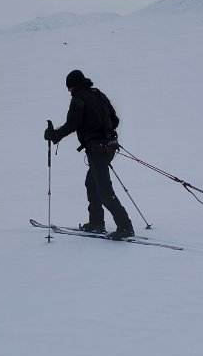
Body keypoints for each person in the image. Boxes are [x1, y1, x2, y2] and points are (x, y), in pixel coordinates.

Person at [44, 69, 135, 240]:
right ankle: (96, 223)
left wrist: (54, 136)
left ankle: (125, 227)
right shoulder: (98, 94)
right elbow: (115, 120)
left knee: (104, 190)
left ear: (74, 85)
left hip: (97, 150)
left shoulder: (79, 99)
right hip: (110, 146)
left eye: (69, 87)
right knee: (92, 183)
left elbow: (72, 124)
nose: (69, 91)